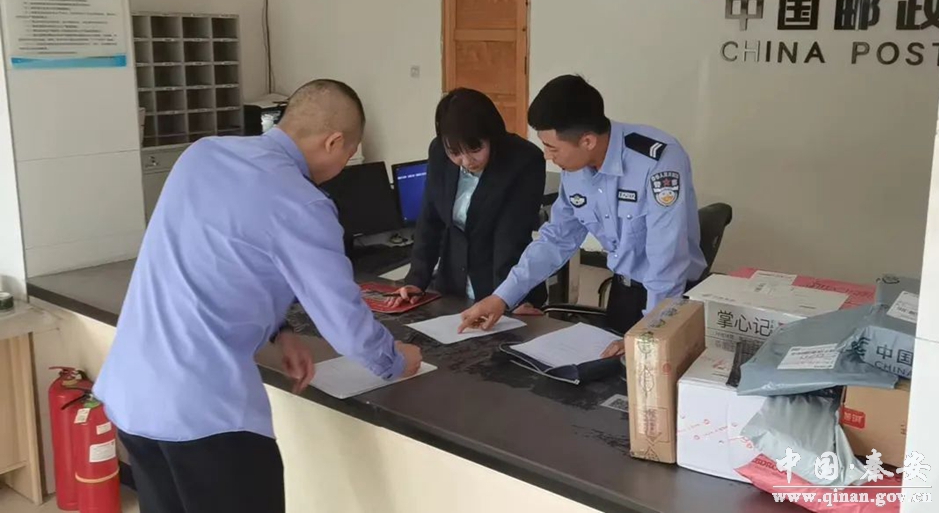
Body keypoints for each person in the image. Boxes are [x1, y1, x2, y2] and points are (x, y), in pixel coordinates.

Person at [93, 80, 423, 513]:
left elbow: (215, 259)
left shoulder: (203, 155)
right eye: (347, 155)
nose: (343, 167)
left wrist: (280, 329)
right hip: (206, 417)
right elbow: (346, 326)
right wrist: (395, 360)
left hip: (133, 397)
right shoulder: (302, 203)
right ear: (333, 141)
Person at [458, 75, 706, 356]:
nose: (547, 156)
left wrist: (648, 336)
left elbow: (666, 259)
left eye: (552, 147)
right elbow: (556, 239)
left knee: (650, 379)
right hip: (624, 294)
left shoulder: (657, 160)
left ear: (587, 141)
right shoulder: (575, 169)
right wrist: (502, 297)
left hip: (671, 301)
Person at [388, 88, 547, 311]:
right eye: (455, 153)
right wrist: (416, 280)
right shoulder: (439, 152)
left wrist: (508, 300)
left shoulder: (523, 160)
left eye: (474, 149)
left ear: (491, 135)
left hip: (504, 283)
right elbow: (430, 220)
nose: (466, 161)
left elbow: (510, 238)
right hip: (453, 286)